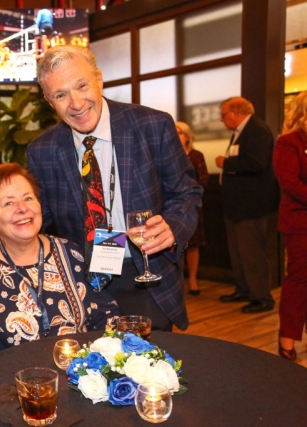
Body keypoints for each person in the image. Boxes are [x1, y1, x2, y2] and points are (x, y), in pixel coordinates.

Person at [27, 45, 203, 332]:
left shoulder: (152, 126)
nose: (76, 103)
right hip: (80, 284)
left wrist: (172, 227)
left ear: (99, 79)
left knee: (147, 359)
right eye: (60, 95)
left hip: (146, 275)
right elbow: (35, 219)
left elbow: (187, 192)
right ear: (49, 101)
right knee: (87, 360)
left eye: (82, 85)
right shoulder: (42, 150)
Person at [0, 163, 119, 367]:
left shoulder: (71, 254)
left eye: (28, 198)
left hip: (74, 379)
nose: (22, 208)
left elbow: (105, 315)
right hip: (2, 383)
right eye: (8, 203)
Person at [215, 97, 279, 313]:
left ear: (236, 112)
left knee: (252, 253)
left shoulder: (257, 130)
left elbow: (257, 163)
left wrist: (226, 163)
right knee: (238, 252)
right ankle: (244, 290)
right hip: (236, 205)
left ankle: (262, 297)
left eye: (224, 115)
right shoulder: (239, 132)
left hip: (251, 205)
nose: (222, 119)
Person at [273, 90, 307, 362]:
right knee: (299, 279)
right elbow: (291, 184)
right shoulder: (289, 142)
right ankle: (287, 337)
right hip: (300, 222)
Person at [175, 121, 209, 296]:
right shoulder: (169, 154)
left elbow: (203, 180)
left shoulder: (196, 155)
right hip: (171, 205)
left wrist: (189, 192)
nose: (176, 135)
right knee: (175, 244)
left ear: (188, 136)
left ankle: (193, 280)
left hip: (191, 205)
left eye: (180, 132)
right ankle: (177, 280)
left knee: (192, 245)